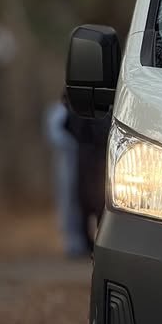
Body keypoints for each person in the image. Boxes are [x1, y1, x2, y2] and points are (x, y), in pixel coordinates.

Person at [44, 95, 89, 258]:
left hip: (84, 161)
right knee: (67, 201)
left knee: (82, 201)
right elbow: (55, 136)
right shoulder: (57, 112)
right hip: (66, 162)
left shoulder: (82, 111)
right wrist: (74, 143)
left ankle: (83, 241)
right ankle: (71, 242)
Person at [65, 106, 112, 253]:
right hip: (92, 159)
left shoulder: (84, 110)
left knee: (98, 203)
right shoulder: (84, 110)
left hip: (95, 158)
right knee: (89, 203)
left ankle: (97, 244)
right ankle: (89, 244)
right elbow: (67, 125)